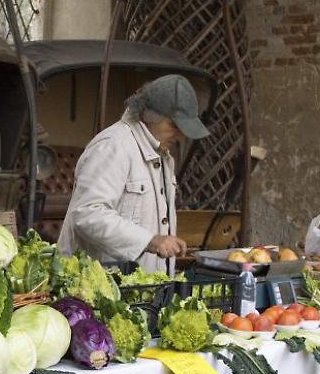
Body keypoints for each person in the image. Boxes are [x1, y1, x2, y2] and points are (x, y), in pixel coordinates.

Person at [57, 74, 210, 275]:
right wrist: (149, 241)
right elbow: (87, 213)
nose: (180, 136)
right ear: (150, 115)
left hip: (140, 290)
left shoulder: (163, 156)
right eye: (174, 125)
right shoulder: (114, 145)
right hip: (97, 287)